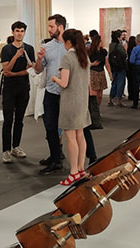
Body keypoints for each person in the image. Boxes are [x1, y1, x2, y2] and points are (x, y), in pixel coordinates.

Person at [34, 14, 96, 174]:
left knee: (79, 129)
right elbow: (39, 69)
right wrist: (39, 59)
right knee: (51, 127)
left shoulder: (72, 49)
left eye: (51, 26)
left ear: (60, 27)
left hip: (70, 95)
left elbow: (78, 74)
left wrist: (87, 90)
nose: (49, 29)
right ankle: (56, 158)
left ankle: (90, 159)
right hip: (52, 92)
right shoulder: (47, 47)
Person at [51, 29, 91, 186]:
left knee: (70, 138)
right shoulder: (84, 57)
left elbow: (64, 83)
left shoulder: (67, 57)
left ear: (68, 42)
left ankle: (73, 172)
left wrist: (54, 78)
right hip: (82, 101)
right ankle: (81, 169)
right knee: (80, 135)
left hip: (70, 103)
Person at [0, 21, 35, 164]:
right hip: (9, 88)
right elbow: (6, 70)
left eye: (22, 31)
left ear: (24, 32)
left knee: (19, 119)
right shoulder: (6, 49)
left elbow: (31, 69)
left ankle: (16, 146)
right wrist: (16, 56)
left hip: (23, 87)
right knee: (8, 119)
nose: (19, 33)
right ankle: (6, 150)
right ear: (13, 32)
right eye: (17, 31)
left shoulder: (29, 49)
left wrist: (15, 74)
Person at [88, 33, 111, 106]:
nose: (102, 43)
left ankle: (97, 107)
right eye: (101, 41)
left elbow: (107, 63)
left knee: (100, 95)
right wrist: (92, 64)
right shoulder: (89, 51)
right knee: (93, 94)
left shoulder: (103, 51)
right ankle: (93, 109)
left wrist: (110, 74)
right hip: (92, 73)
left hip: (101, 72)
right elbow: (85, 63)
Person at [108, 30, 128, 107]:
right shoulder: (119, 46)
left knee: (114, 82)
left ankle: (110, 98)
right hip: (120, 66)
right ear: (118, 37)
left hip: (113, 66)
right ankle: (118, 99)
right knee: (120, 83)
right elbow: (124, 55)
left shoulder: (110, 45)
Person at [126, 36, 137, 102]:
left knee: (129, 82)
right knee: (134, 82)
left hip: (129, 67)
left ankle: (130, 95)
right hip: (134, 67)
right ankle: (134, 95)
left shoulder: (128, 49)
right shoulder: (135, 49)